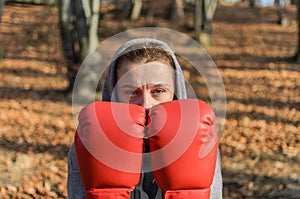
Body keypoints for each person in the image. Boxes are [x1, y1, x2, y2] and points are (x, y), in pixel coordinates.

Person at [67, 38, 223, 199]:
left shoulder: (199, 139)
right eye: (132, 92)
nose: (146, 104)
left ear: (175, 94)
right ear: (114, 94)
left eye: (158, 91)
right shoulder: (91, 141)